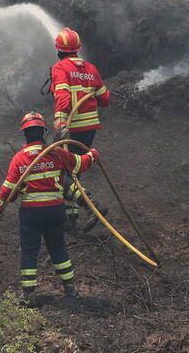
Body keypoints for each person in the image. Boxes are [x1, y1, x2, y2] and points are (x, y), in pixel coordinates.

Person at [0, 112, 99, 303]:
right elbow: (79, 164)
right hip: (55, 211)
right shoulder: (55, 152)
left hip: (31, 213)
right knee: (58, 247)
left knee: (29, 251)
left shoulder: (19, 158)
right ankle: (70, 287)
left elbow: (9, 189)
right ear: (43, 131)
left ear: (25, 134)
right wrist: (93, 154)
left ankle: (28, 295)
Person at [50, 27, 110, 230]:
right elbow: (105, 99)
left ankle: (92, 206)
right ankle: (71, 219)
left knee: (58, 173)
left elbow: (63, 96)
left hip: (71, 127)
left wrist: (60, 121)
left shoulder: (60, 68)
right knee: (73, 170)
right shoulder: (91, 69)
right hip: (89, 128)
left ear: (59, 49)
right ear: (78, 49)